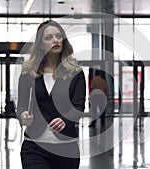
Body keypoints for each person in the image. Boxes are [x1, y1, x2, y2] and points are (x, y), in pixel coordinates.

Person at [16, 20, 86, 169]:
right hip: (34, 148)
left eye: (58, 36)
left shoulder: (75, 73)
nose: (55, 40)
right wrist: (23, 115)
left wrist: (65, 119)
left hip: (66, 150)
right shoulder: (28, 71)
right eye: (49, 37)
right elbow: (21, 105)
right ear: (41, 44)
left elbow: (78, 107)